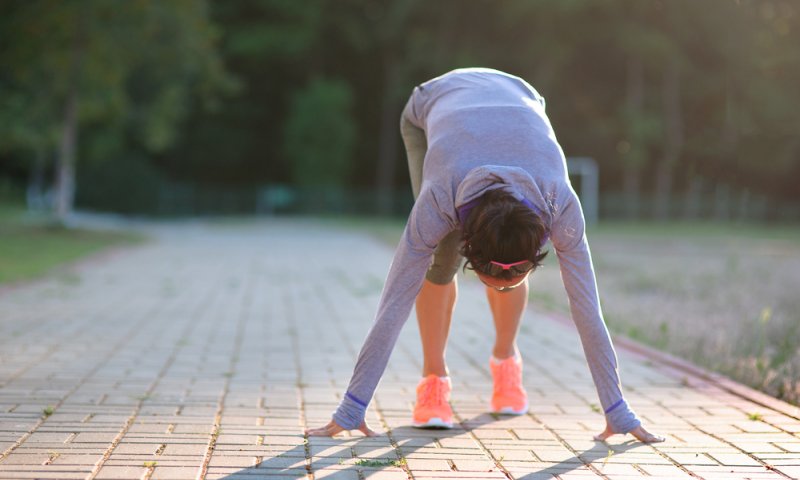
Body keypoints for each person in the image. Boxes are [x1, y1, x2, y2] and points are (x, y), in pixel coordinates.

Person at [306, 68, 664, 443]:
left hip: (521, 95)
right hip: (431, 102)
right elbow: (394, 302)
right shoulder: (440, 196)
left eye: (517, 275)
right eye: (497, 278)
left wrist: (617, 410)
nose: (507, 284)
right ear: (471, 254)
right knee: (438, 261)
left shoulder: (560, 202)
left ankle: (506, 361)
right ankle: (433, 379)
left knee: (503, 245)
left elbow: (587, 308)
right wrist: (352, 407)